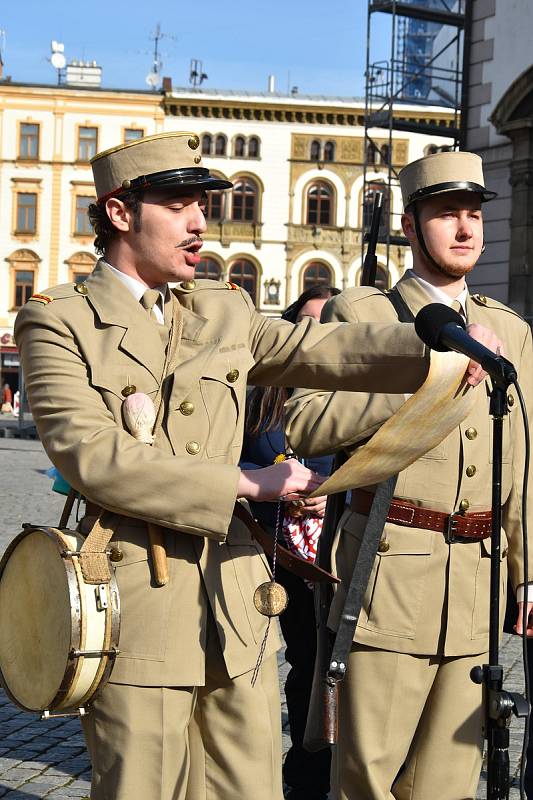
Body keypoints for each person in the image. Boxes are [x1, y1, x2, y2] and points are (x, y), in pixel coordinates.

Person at [14, 135, 493, 800]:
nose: (199, 222)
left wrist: (433, 344)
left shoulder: (223, 306)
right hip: (137, 600)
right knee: (145, 788)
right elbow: (92, 457)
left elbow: (323, 347)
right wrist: (247, 482)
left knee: (252, 789)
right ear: (121, 213)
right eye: (179, 204)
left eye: (202, 204)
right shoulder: (59, 320)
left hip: (235, 604)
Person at [285, 150, 533, 800]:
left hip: (474, 589)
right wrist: (423, 369)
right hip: (386, 576)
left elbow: (523, 467)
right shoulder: (360, 316)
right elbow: (304, 423)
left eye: (473, 213)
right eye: (445, 212)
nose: (464, 228)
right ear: (407, 222)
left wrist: (526, 570)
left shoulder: (508, 330)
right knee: (366, 782)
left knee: (448, 787)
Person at [241, 284, 340, 800]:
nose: (318, 335)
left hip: (336, 552)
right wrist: (270, 483)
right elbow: (229, 462)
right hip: (272, 549)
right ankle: (298, 770)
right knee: (293, 662)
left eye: (330, 324)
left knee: (330, 663)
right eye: (308, 323)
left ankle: (322, 765)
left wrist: (333, 492)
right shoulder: (260, 394)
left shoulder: (355, 395)